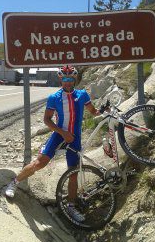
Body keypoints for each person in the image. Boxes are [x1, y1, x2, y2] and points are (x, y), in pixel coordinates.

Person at [5, 65, 101, 222]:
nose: (68, 82)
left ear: (75, 79)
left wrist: (103, 111)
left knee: (73, 173)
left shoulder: (82, 95)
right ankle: (14, 183)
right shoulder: (54, 97)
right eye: (65, 79)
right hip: (59, 135)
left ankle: (71, 206)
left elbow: (92, 111)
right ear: (61, 80)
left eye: (71, 79)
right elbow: (46, 120)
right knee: (39, 163)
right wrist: (63, 133)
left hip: (75, 138)